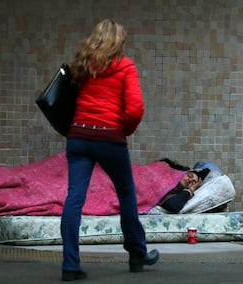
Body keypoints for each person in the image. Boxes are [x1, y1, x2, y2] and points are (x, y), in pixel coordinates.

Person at [60, 19, 159, 281]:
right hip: (109, 138)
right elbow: (135, 109)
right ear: (119, 42)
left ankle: (70, 266)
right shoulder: (125, 66)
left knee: (74, 199)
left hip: (78, 137)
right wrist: (124, 129)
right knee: (127, 194)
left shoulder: (82, 65)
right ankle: (137, 254)